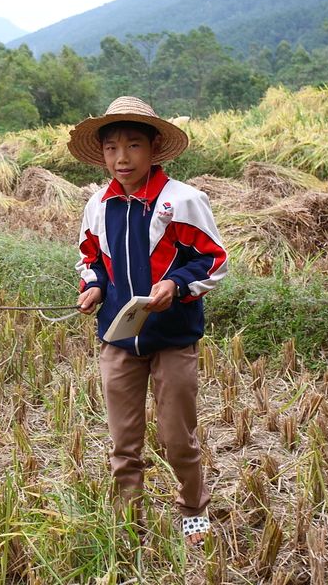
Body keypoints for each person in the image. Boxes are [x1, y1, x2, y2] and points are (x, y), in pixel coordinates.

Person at [69, 96, 228, 546]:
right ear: (101, 154)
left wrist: (175, 286)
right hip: (118, 338)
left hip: (172, 338)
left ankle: (193, 509)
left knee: (178, 437)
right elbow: (90, 258)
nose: (122, 158)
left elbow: (212, 260)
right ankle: (128, 516)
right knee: (123, 440)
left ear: (154, 148)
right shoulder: (98, 204)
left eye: (133, 145)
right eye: (112, 148)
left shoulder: (182, 201)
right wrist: (95, 286)